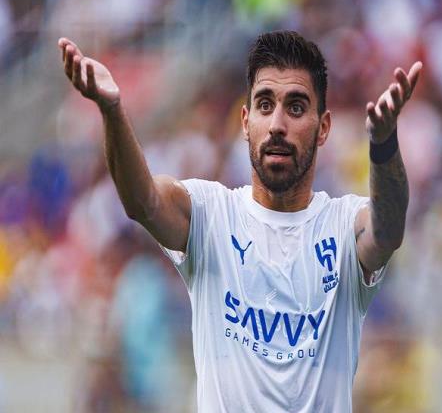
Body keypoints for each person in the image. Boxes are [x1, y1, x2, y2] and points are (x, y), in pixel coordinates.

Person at [58, 30, 421, 412]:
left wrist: (383, 144)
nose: (277, 124)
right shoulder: (210, 213)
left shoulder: (343, 224)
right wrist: (112, 111)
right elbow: (142, 202)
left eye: (296, 108)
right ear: (246, 122)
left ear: (323, 127)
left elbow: (387, 231)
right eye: (265, 105)